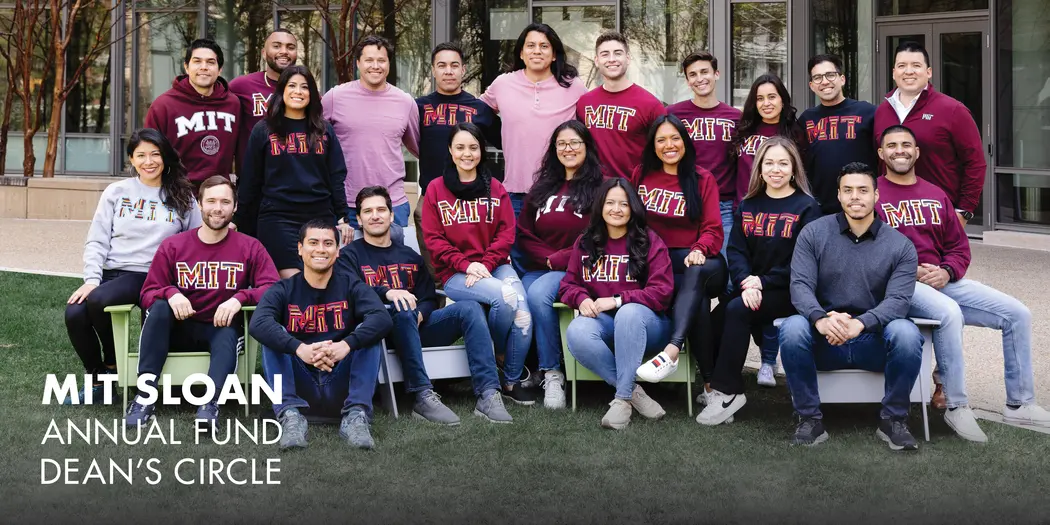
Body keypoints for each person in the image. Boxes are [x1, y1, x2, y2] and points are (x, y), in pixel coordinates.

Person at [875, 125, 1050, 438]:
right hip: (901, 285)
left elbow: (958, 248)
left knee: (1017, 314)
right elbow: (865, 251)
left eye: (906, 145)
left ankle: (1020, 404)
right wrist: (910, 270)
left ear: (916, 152)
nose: (899, 150)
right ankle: (957, 406)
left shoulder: (935, 194)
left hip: (942, 279)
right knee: (949, 313)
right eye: (892, 145)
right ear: (881, 153)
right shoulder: (872, 194)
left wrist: (946, 271)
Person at [340, 186, 512, 424]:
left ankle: (488, 393)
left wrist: (420, 313)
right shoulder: (350, 255)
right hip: (379, 333)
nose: (375, 215)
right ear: (358, 219)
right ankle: (422, 395)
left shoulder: (410, 255)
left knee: (470, 307)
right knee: (402, 308)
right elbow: (349, 291)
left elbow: (430, 298)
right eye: (367, 211)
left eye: (381, 209)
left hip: (417, 325)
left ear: (392, 215)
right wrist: (388, 292)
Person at [781, 165, 923, 451]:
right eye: (848, 190)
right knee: (793, 328)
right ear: (838, 195)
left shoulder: (901, 246)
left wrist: (861, 323)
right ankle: (809, 419)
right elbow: (800, 286)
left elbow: (898, 301)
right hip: (825, 342)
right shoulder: (813, 234)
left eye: (862, 190)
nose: (855, 197)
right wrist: (820, 320)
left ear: (876, 195)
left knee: (907, 333)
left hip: (873, 341)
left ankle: (893, 420)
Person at [124, 176, 279, 427]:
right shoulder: (174, 245)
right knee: (160, 307)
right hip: (176, 328)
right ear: (199, 204)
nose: (218, 208)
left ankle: (209, 405)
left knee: (229, 331)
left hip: (219, 327)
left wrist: (240, 298)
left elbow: (273, 289)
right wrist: (171, 293)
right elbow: (148, 293)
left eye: (225, 202)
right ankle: (145, 397)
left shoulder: (250, 247)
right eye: (212, 201)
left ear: (235, 206)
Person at [63, 129, 201, 404]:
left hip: (152, 274)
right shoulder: (117, 192)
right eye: (141, 155)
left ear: (165, 157)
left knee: (100, 300)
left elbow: (195, 240)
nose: (149, 161)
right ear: (131, 160)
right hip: (112, 272)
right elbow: (97, 238)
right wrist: (92, 278)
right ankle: (99, 380)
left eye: (155, 154)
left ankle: (113, 367)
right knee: (75, 313)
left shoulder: (182, 194)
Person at [696, 137, 820, 425]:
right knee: (713, 318)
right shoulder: (748, 204)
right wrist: (746, 281)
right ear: (760, 169)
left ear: (793, 168)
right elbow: (737, 251)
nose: (776, 169)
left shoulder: (807, 207)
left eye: (783, 163)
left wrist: (761, 282)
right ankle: (714, 385)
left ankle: (729, 393)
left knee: (738, 310)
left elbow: (805, 262)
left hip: (791, 290)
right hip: (752, 287)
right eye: (769, 163)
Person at [250, 220, 393, 450]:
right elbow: (258, 323)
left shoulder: (351, 285)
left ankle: (356, 418)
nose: (320, 249)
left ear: (337, 251)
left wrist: (345, 345)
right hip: (300, 382)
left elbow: (382, 317)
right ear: (300, 248)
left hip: (341, 383)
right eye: (313, 243)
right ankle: (290, 417)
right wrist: (300, 349)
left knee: (369, 334)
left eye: (328, 243)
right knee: (273, 335)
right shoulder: (284, 289)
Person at [420, 122, 536, 404]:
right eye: (460, 147)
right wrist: (466, 264)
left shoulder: (495, 188)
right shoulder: (436, 189)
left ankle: (509, 381)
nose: (467, 153)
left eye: (473, 147)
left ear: (482, 151)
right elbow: (434, 239)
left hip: (492, 264)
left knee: (524, 315)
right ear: (450, 150)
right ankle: (498, 353)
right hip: (455, 273)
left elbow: (506, 232)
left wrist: (483, 263)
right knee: (505, 298)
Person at [560, 178, 674, 430]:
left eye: (624, 203)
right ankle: (632, 392)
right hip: (607, 327)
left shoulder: (649, 241)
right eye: (610, 202)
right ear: (600, 206)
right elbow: (568, 284)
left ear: (633, 208)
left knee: (628, 312)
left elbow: (662, 292)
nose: (616, 209)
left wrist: (618, 300)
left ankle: (621, 401)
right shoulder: (586, 242)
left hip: (648, 326)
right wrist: (582, 298)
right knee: (577, 330)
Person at [630, 116, 726, 389]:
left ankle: (672, 350)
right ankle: (710, 384)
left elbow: (713, 228)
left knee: (693, 277)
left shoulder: (702, 178)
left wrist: (699, 249)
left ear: (685, 141)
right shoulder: (641, 175)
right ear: (653, 145)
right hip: (660, 263)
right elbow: (633, 223)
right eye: (661, 139)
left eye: (675, 138)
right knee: (697, 304)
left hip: (701, 261)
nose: (668, 145)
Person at [518, 121, 605, 409]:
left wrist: (562, 258)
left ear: (587, 147)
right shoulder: (544, 187)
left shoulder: (601, 186)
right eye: (561, 144)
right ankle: (528, 369)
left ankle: (554, 373)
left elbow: (601, 233)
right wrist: (547, 257)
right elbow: (524, 232)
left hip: (579, 269)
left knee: (537, 293)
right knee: (516, 300)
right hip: (542, 266)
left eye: (574, 143)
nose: (568, 149)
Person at [233, 65, 351, 277]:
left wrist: (342, 216)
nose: (298, 91)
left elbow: (336, 176)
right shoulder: (264, 129)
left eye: (304, 87)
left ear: (311, 94)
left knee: (320, 277)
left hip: (319, 216)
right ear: (282, 91)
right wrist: (238, 218)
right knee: (294, 281)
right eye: (292, 86)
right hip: (278, 218)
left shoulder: (324, 130)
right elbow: (250, 178)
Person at [873, 41, 986, 227]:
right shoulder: (882, 111)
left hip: (938, 215)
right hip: (891, 215)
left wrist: (964, 211)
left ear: (929, 72)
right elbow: (879, 162)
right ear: (894, 72)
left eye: (916, 65)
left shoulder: (953, 110)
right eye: (902, 66)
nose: (909, 71)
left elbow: (975, 163)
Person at [480, 23, 587, 216]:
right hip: (515, 193)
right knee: (514, 247)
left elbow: (591, 130)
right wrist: (501, 139)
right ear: (521, 53)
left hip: (561, 193)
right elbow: (478, 116)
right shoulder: (503, 84)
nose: (537, 51)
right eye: (530, 46)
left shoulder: (574, 87)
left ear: (554, 54)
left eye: (544, 46)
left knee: (558, 247)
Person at [415, 42, 501, 280]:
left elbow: (508, 143)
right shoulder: (419, 107)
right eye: (442, 65)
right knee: (437, 277)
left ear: (464, 70)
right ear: (433, 70)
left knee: (477, 273)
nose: (448, 71)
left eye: (454, 65)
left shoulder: (480, 109)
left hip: (475, 201)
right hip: (432, 200)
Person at [322, 35, 420, 227]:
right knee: (346, 258)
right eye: (369, 60)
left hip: (392, 204)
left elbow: (419, 148)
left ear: (389, 64)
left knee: (393, 258)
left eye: (381, 60)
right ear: (358, 63)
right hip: (346, 204)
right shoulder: (334, 97)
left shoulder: (405, 102)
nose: (375, 66)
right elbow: (315, 144)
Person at [667, 52, 741, 252]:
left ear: (716, 74)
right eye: (693, 74)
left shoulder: (736, 117)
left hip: (723, 205)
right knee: (683, 265)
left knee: (724, 268)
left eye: (704, 72)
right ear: (687, 81)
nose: (699, 79)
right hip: (683, 200)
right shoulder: (673, 114)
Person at [145, 39, 241, 188]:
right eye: (197, 61)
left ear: (220, 68)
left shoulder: (233, 104)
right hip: (177, 194)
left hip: (219, 196)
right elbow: (149, 153)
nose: (204, 67)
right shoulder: (163, 105)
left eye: (210, 62)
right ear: (186, 67)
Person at [575, 31, 664, 180]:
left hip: (632, 191)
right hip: (592, 190)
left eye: (618, 53)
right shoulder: (584, 103)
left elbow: (663, 151)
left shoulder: (650, 105)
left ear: (628, 58)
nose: (612, 59)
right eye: (605, 54)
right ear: (596, 60)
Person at [799, 54, 877, 215]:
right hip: (820, 208)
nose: (825, 81)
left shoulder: (867, 112)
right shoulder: (806, 119)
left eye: (830, 75)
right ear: (812, 85)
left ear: (842, 79)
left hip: (861, 206)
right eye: (818, 77)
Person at [229, 28, 299, 174]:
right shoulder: (241, 86)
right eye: (277, 46)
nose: (284, 51)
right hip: (253, 179)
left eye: (290, 47)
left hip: (295, 178)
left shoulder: (304, 90)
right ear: (263, 53)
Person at [730, 73, 807, 204]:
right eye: (760, 98)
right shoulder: (743, 130)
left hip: (781, 210)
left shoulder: (795, 134)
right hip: (744, 209)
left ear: (782, 101)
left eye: (772, 97)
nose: (766, 103)